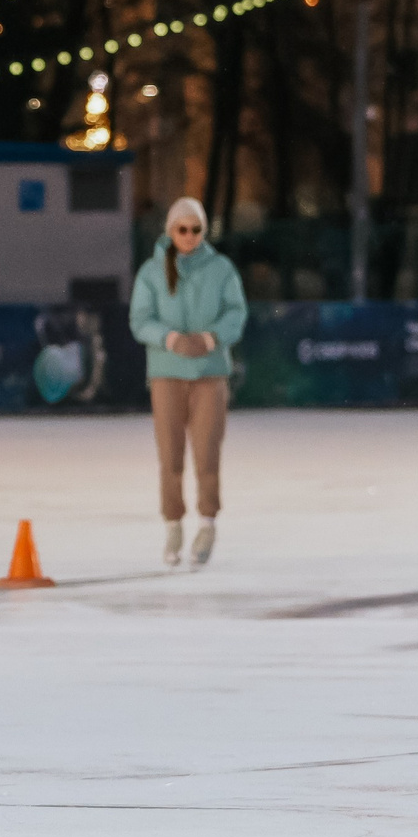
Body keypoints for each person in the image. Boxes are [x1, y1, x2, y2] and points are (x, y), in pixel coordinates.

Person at [129, 196, 245, 569]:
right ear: (170, 230)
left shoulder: (221, 269)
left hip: (210, 374)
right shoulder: (151, 272)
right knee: (170, 455)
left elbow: (236, 312)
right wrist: (170, 339)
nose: (189, 235)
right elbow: (140, 318)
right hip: (166, 373)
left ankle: (208, 522)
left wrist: (210, 339)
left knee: (207, 452)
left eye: (196, 229)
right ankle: (173, 524)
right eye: (182, 229)